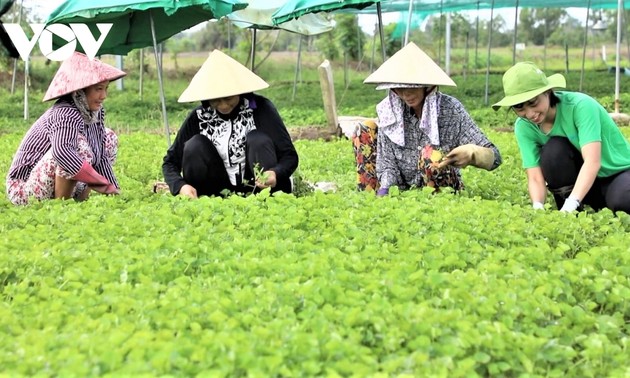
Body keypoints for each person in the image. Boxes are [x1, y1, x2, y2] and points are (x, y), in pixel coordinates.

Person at [357, 42, 502, 195]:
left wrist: (473, 153)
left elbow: (495, 158)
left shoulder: (450, 110)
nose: (406, 94)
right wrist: (386, 188)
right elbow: (387, 162)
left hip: (440, 190)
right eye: (400, 88)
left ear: (428, 86)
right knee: (365, 129)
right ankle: (369, 197)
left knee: (430, 154)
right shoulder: (390, 111)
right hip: (401, 190)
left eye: (412, 87)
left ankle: (438, 201)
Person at [493, 62, 630, 214]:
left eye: (533, 103)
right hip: (583, 184)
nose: (530, 113)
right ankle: (572, 209)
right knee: (554, 150)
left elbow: (593, 162)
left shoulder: (580, 106)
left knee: (624, 201)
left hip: (617, 173)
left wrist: (572, 202)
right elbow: (535, 176)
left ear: (548, 92)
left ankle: (583, 204)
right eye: (520, 107)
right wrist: (537, 207)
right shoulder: (524, 126)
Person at [162, 49, 298, 199]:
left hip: (258, 189)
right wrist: (180, 186)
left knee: (257, 139)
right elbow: (170, 163)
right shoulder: (199, 117)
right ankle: (204, 200)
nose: (223, 106)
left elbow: (289, 156)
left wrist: (275, 173)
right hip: (216, 191)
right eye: (215, 100)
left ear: (240, 91)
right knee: (195, 145)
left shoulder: (261, 109)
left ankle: (267, 198)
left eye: (228, 99)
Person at [6, 52, 125, 206]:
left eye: (106, 89)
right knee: (77, 145)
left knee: (109, 138)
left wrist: (115, 190)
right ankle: (62, 207)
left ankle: (79, 201)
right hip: (24, 188)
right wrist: (103, 185)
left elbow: (100, 156)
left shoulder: (96, 112)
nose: (104, 96)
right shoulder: (65, 112)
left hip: (54, 181)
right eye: (98, 89)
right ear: (80, 90)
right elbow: (62, 152)